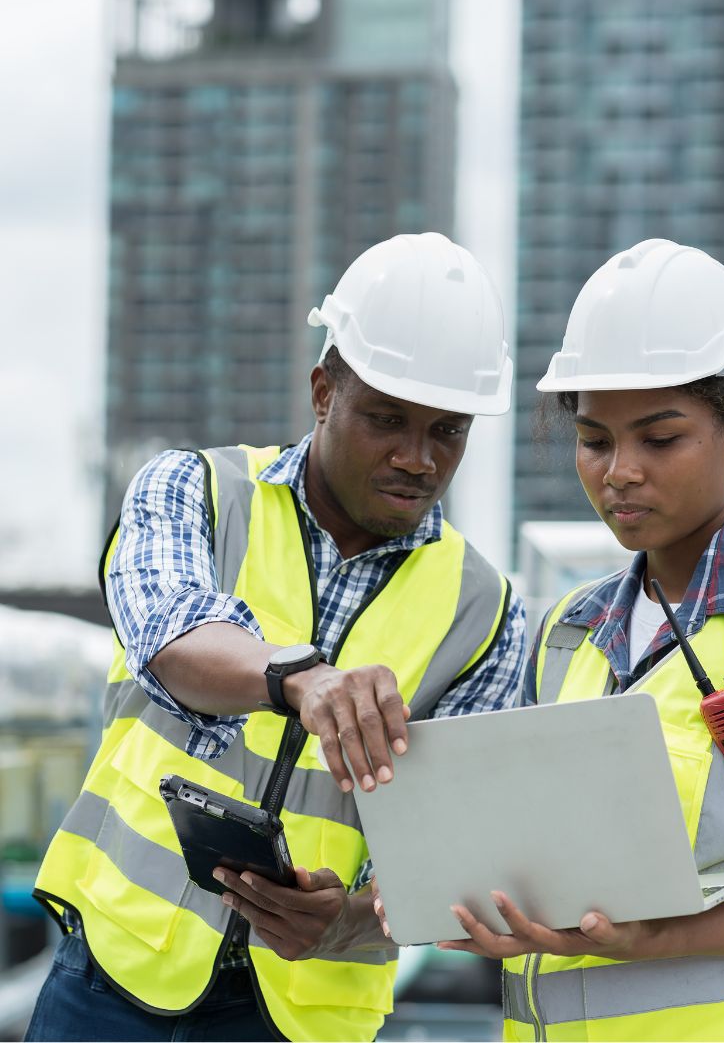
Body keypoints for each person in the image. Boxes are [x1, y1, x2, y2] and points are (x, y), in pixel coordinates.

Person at [27, 232, 528, 1043]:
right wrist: (301, 676)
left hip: (304, 1016)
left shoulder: (490, 613)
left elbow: (461, 862)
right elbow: (169, 635)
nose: (417, 457)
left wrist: (351, 920)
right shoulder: (196, 490)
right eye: (387, 419)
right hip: (114, 983)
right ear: (323, 391)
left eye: (448, 430)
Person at [417, 239, 724, 1041]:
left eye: (660, 438)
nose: (620, 471)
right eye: (597, 439)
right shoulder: (569, 632)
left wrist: (656, 940)